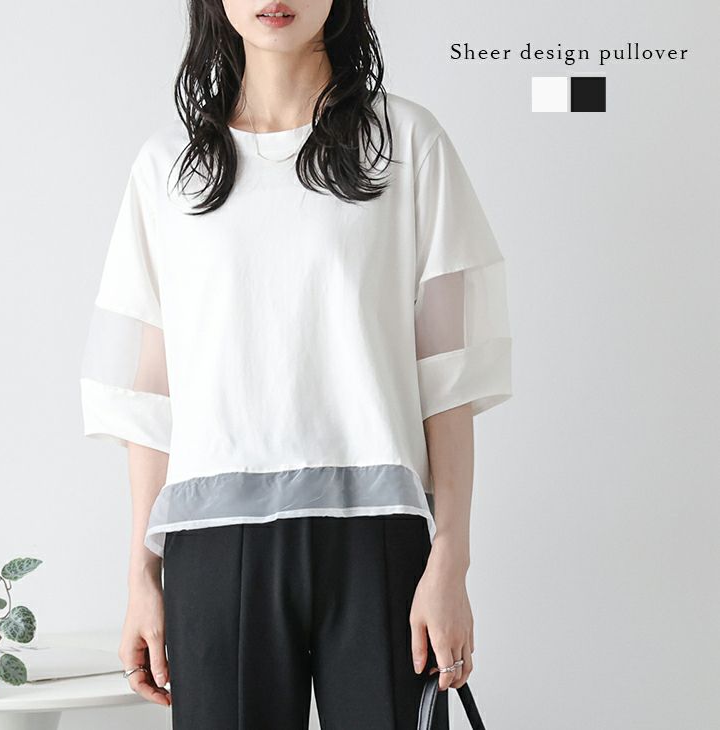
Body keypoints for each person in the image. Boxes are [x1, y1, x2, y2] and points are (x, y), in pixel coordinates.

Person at [79, 0, 513, 727]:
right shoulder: (168, 169)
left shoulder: (407, 143)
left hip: (377, 535)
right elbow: (149, 400)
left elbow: (449, 376)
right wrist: (140, 578)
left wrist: (451, 561)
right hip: (212, 542)